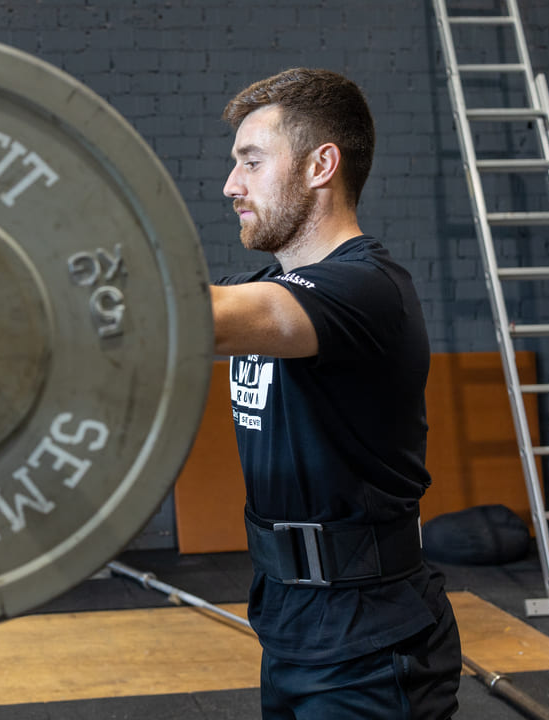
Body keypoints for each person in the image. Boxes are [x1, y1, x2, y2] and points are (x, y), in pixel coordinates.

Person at [211, 68, 462, 718]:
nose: (230, 185)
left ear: (321, 164)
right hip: (287, 622)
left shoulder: (369, 289)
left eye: (251, 162)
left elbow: (195, 315)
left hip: (369, 638)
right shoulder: (260, 286)